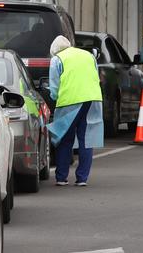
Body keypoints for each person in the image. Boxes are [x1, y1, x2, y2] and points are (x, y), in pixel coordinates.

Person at [47, 35, 104, 187]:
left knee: (65, 139)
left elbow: (54, 86)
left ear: (54, 50)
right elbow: (95, 77)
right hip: (92, 100)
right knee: (86, 139)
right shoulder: (89, 56)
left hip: (69, 102)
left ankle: (61, 177)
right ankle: (82, 178)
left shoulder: (57, 59)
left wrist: (53, 97)